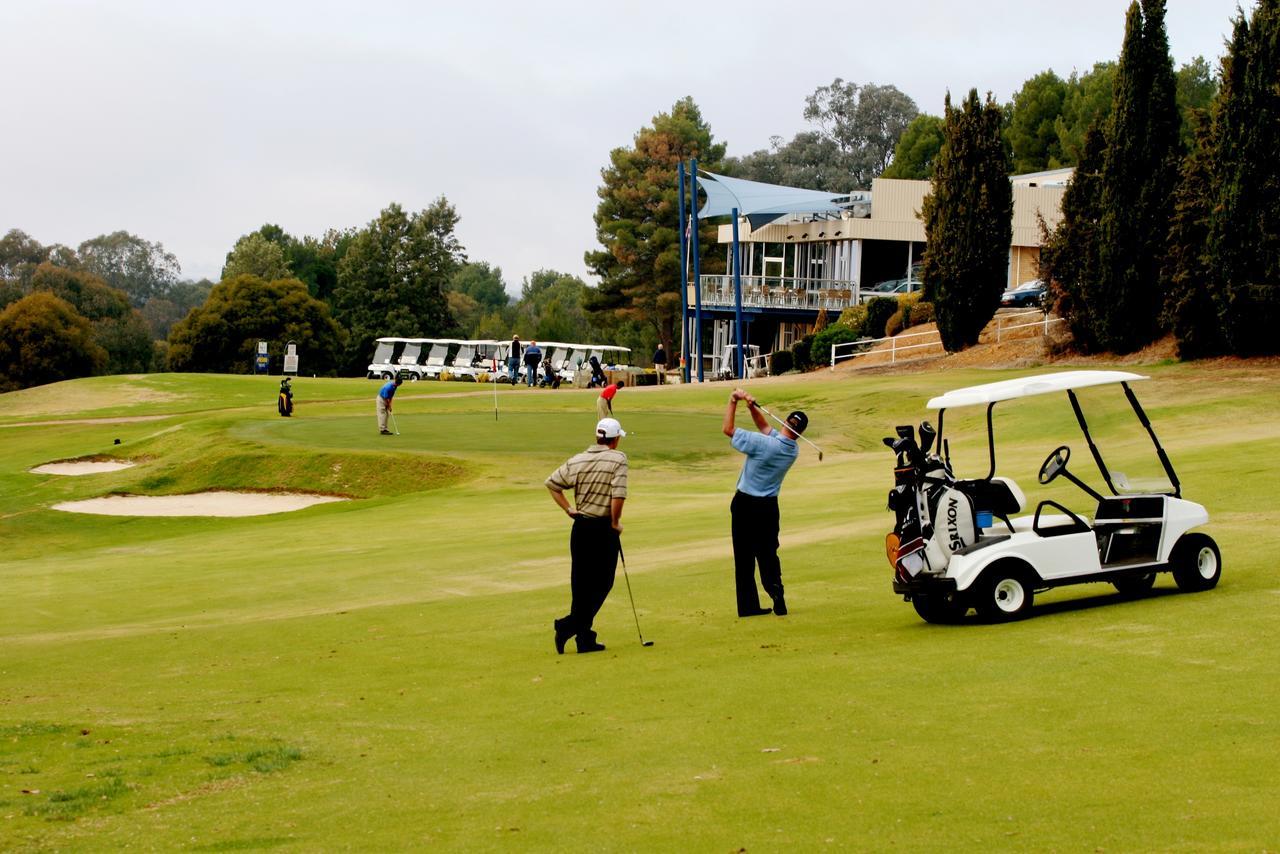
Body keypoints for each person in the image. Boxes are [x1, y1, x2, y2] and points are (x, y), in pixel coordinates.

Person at [722, 388, 808, 617]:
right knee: (768, 553)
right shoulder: (792, 450)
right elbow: (765, 428)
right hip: (769, 508)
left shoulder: (764, 445)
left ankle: (749, 606)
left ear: (786, 423)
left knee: (744, 557)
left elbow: (728, 429)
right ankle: (776, 591)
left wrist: (733, 401)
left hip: (745, 505)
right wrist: (751, 407)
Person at [546, 417, 629, 654]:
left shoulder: (579, 459)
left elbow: (552, 484)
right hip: (603, 528)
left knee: (581, 586)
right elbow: (618, 496)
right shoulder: (618, 459)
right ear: (615, 440)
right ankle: (567, 626)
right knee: (603, 583)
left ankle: (584, 639)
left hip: (580, 528)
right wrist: (615, 522)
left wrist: (568, 509)